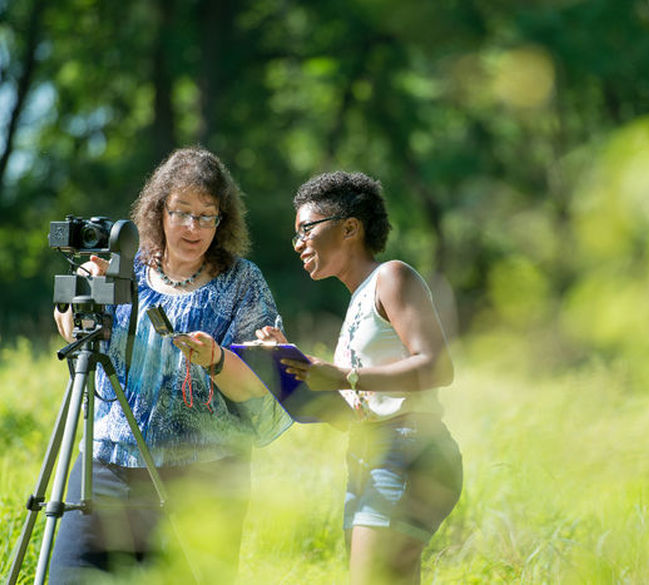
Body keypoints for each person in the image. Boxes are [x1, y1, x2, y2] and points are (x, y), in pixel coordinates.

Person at [50, 147, 291, 583]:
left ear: (224, 221)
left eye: (207, 215)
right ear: (158, 211)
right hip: (107, 469)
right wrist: (84, 291)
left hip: (203, 480)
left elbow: (262, 386)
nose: (193, 227)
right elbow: (74, 330)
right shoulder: (126, 267)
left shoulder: (243, 282)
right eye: (182, 212)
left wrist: (217, 359)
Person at [256, 171, 462, 585]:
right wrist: (291, 367)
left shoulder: (392, 276)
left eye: (306, 229)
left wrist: (343, 376)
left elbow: (438, 367)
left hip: (407, 448)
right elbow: (354, 409)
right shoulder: (356, 301)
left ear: (350, 227)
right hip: (370, 453)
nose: (298, 243)